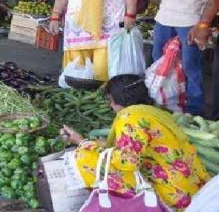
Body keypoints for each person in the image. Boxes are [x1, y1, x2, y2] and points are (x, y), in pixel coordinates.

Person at [62, 74, 208, 210]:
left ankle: (123, 206)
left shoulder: (130, 117)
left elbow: (128, 161)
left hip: (173, 194)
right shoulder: (155, 112)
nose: (111, 106)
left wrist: (84, 143)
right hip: (189, 185)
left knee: (86, 158)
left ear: (118, 99)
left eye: (111, 100)